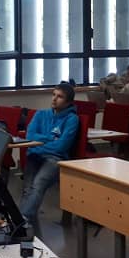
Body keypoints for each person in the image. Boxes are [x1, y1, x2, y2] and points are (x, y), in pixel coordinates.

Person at [20, 80, 80, 235]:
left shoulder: (72, 119)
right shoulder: (41, 114)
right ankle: (22, 220)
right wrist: (49, 139)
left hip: (55, 159)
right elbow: (30, 136)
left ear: (68, 102)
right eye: (53, 95)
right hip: (35, 155)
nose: (54, 99)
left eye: (59, 97)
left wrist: (39, 143)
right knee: (27, 189)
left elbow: (61, 146)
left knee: (38, 184)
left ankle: (22, 222)